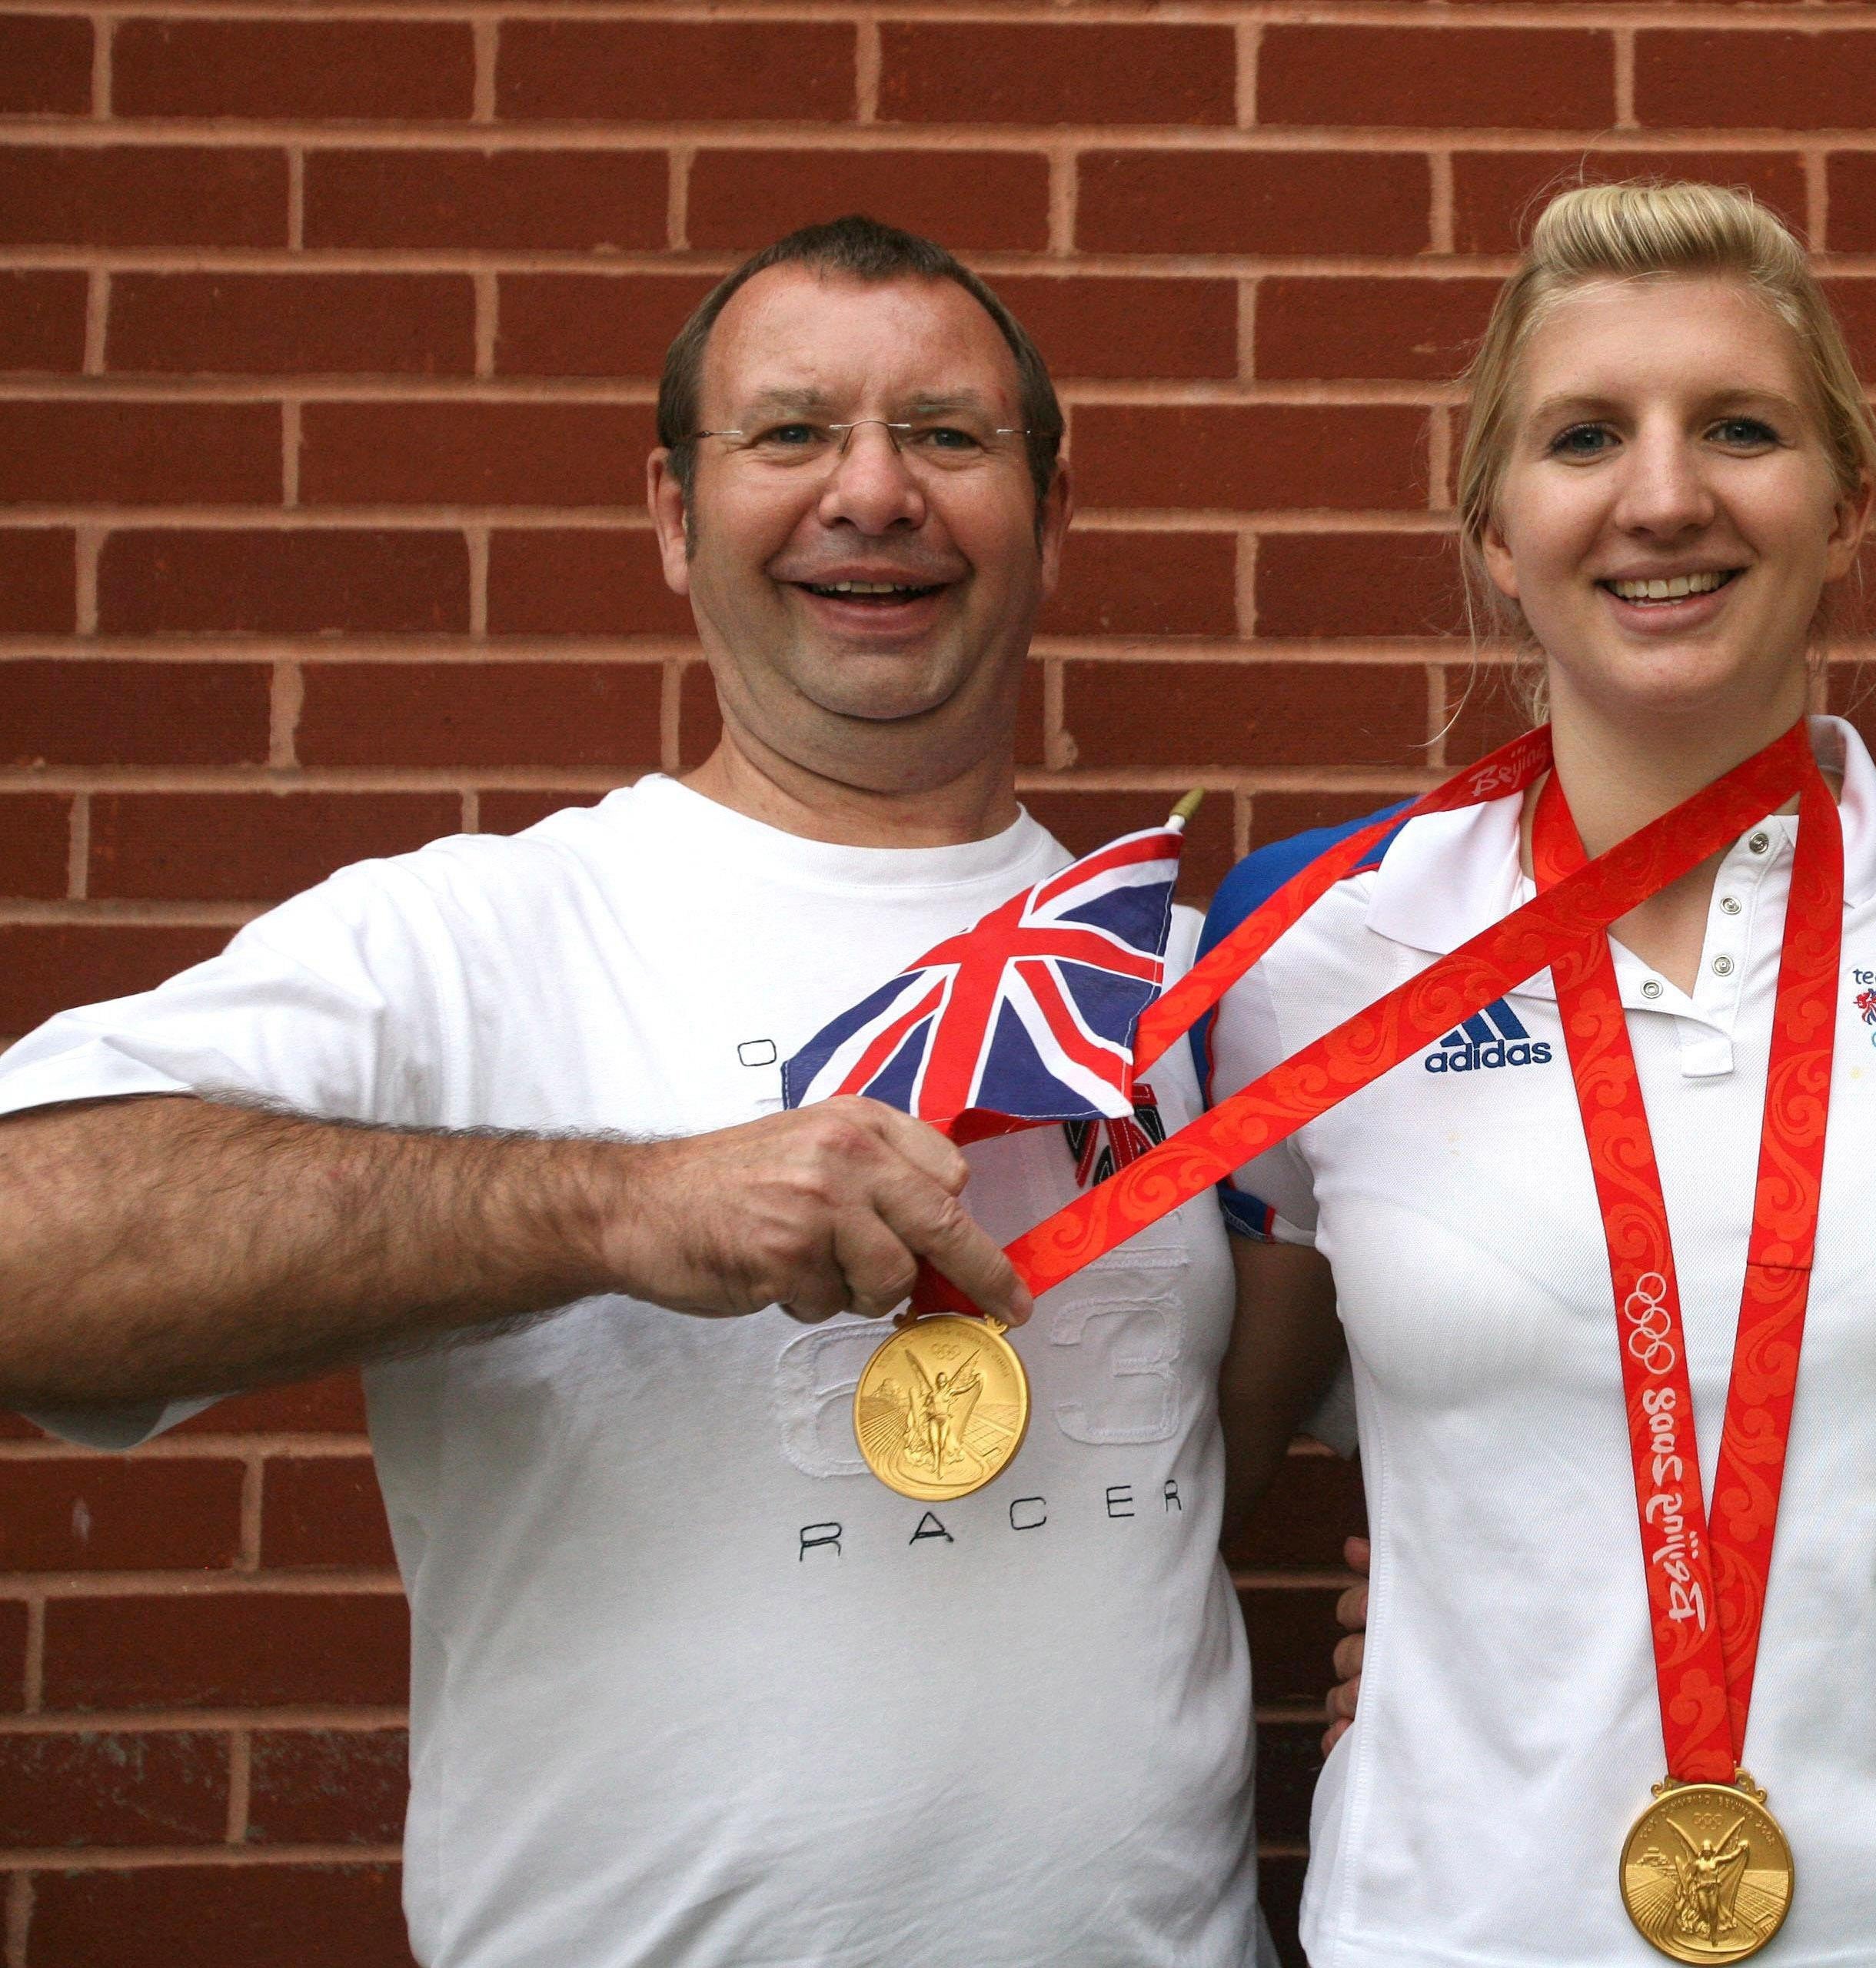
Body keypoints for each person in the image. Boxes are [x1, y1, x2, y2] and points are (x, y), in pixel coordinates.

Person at [0, 218, 1266, 1966]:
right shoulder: (475, 938)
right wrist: (621, 1200)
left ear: (1054, 508)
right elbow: (26, 1253)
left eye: (949, 436)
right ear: (674, 515)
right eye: (793, 432)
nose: (873, 491)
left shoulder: (1197, 985)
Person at [1207, 182, 1876, 1966]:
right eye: (1585, 436)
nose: (1666, 493)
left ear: (1847, 501)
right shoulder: (1311, 945)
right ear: (1495, 525)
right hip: (1456, 1929)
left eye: (1741, 429)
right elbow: (1207, 1456)